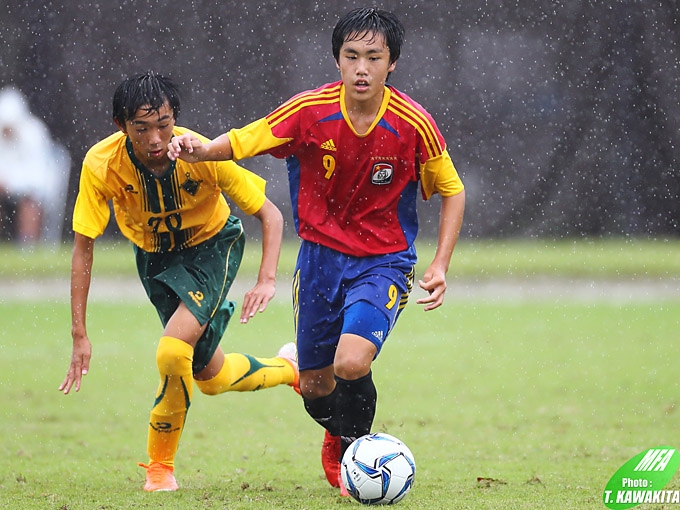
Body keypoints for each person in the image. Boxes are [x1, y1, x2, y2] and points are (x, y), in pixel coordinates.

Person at [168, 8, 466, 495]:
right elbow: (248, 138)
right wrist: (201, 150)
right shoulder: (310, 111)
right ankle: (338, 432)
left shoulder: (413, 123)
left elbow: (452, 190)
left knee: (351, 363)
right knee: (314, 388)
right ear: (338, 60)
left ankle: (356, 456)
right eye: (352, 56)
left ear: (392, 63)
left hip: (383, 262)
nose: (362, 68)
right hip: (319, 261)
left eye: (374, 57)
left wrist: (440, 263)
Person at [59, 72, 299, 493]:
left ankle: (159, 468)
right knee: (211, 376)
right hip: (154, 260)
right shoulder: (101, 164)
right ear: (121, 125)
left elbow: (271, 215)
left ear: (175, 118)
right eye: (141, 128)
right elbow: (83, 248)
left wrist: (266, 280)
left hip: (213, 247)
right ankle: (289, 369)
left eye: (164, 124)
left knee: (172, 351)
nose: (155, 139)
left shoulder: (200, 152)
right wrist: (79, 333)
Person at [0, 86, 70, 244]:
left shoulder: (34, 134)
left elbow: (37, 176)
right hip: (8, 186)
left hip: (34, 187)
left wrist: (11, 183)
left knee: (30, 202)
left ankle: (27, 245)